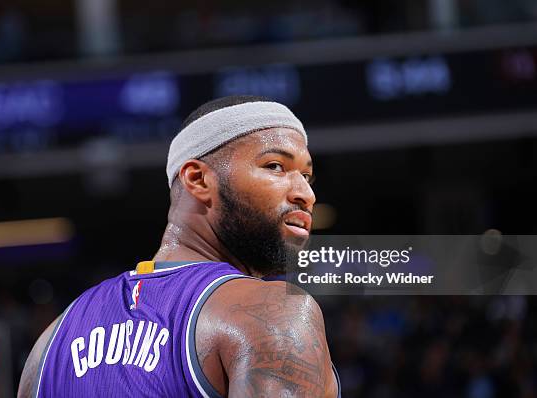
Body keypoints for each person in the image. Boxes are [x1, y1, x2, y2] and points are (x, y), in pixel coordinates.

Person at [18, 95, 340, 397]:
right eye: (275, 166)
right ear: (198, 180)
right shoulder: (272, 313)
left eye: (307, 176)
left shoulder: (49, 344)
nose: (305, 194)